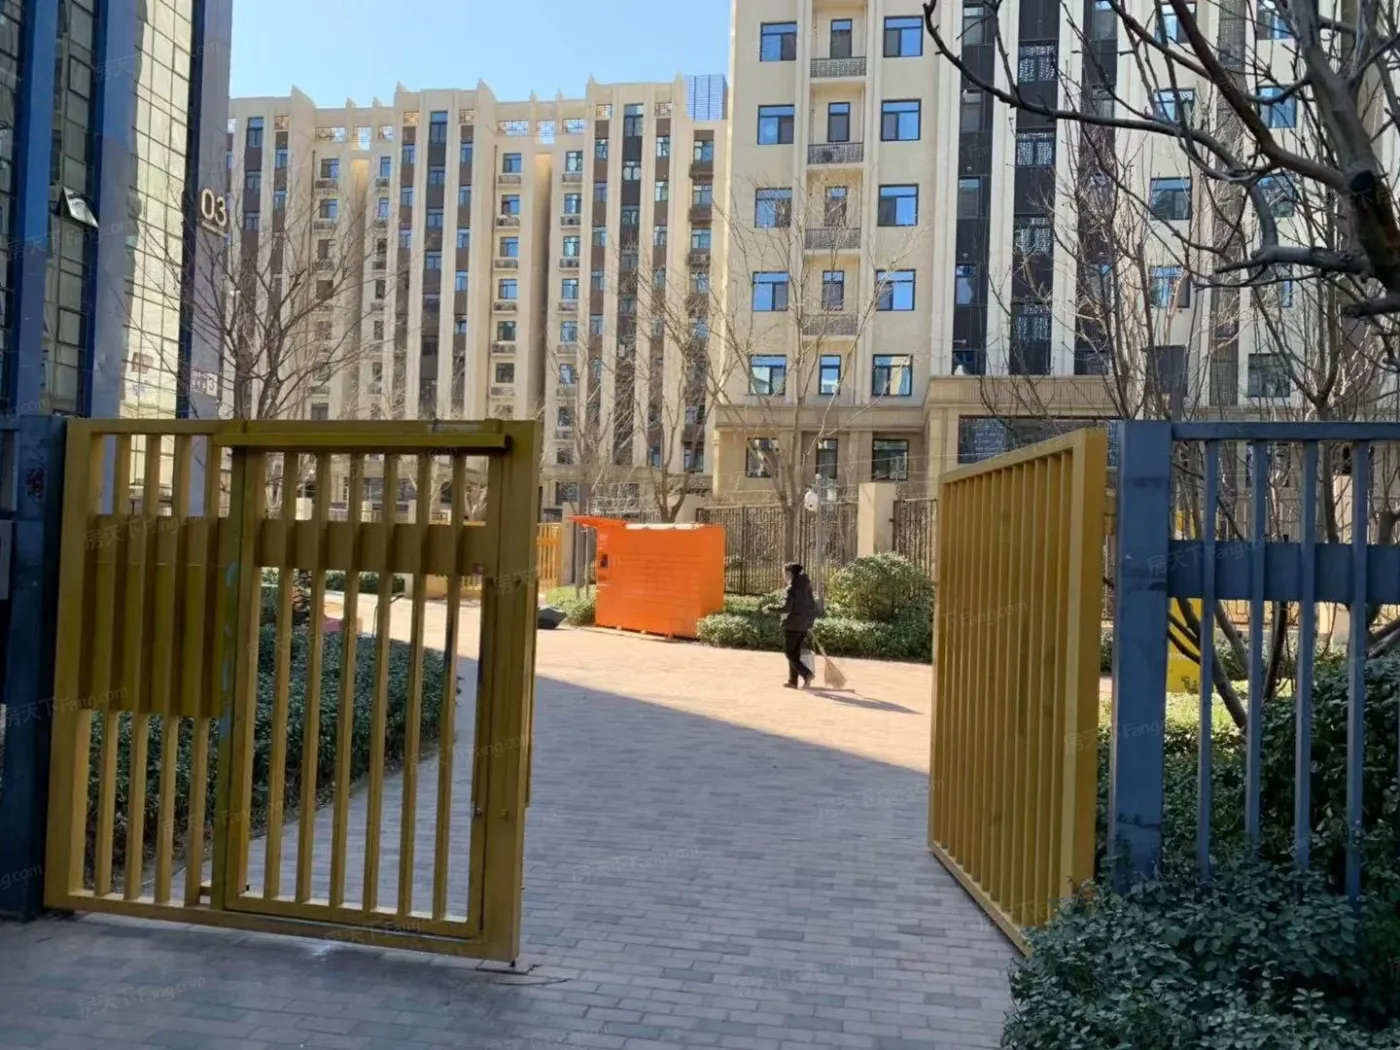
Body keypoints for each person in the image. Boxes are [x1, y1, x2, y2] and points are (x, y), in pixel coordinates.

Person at [765, 562, 817, 689]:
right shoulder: (807, 587)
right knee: (795, 654)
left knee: (790, 654)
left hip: (792, 625)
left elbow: (786, 608)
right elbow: (813, 606)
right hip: (803, 625)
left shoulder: (791, 588)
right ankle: (793, 681)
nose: (783, 576)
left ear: (789, 574)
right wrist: (809, 622)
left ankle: (807, 674)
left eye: (784, 573)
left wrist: (770, 607)